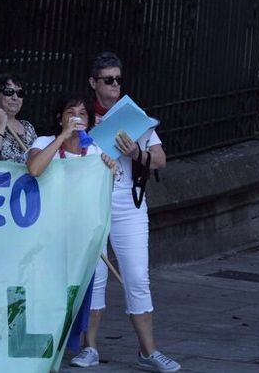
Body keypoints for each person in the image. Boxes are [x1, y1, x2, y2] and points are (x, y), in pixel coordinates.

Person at [76, 51, 179, 372]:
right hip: (90, 203)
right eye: (109, 80)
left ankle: (148, 351)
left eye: (119, 79)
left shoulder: (133, 116)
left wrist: (136, 152)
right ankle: (89, 347)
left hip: (127, 205)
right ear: (94, 83)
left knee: (137, 275)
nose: (115, 85)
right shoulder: (81, 116)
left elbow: (160, 158)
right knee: (95, 275)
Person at [25, 92, 117, 368]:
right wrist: (63, 137)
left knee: (93, 283)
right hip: (50, 230)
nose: (76, 118)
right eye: (70, 112)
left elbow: (105, 188)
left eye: (82, 114)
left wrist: (110, 168)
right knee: (50, 285)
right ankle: (48, 341)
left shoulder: (97, 150)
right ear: (60, 117)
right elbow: (34, 169)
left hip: (86, 230)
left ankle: (90, 347)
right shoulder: (44, 142)